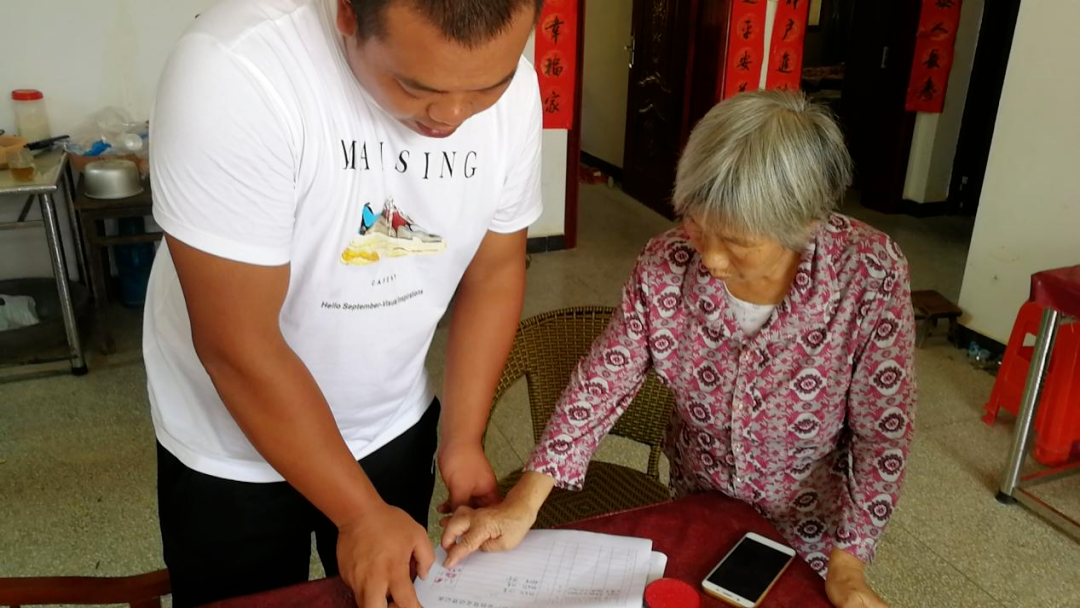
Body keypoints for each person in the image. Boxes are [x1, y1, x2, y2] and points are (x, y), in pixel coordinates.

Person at [440, 91, 916, 608]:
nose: (710, 258)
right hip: (700, 508)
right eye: (696, 224)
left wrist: (849, 563)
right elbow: (603, 382)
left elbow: (882, 435)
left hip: (810, 531)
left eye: (737, 242)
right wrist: (524, 502)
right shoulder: (665, 263)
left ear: (805, 225)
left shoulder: (869, 274)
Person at [144, 0, 543, 605]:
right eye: (417, 86)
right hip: (233, 447)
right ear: (349, 13)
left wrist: (463, 438)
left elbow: (494, 272)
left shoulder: (513, 84)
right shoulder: (235, 71)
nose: (454, 115)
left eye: (490, 87)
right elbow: (237, 344)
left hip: (390, 421)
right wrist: (358, 513)